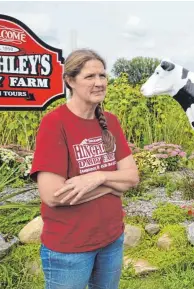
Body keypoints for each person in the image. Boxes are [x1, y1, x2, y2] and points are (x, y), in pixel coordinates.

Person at [30, 48, 139, 289]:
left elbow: (132, 177)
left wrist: (97, 177)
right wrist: (113, 186)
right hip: (70, 248)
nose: (99, 83)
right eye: (90, 77)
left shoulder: (110, 121)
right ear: (70, 81)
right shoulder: (55, 123)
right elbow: (52, 195)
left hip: (111, 238)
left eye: (102, 76)